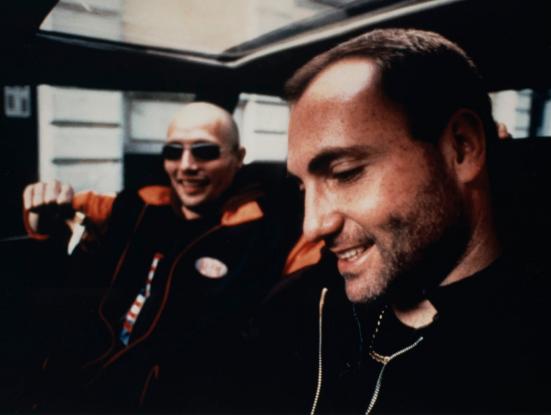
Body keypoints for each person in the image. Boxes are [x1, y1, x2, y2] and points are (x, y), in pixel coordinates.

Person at [245, 28, 551, 414]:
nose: (313, 226)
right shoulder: (294, 307)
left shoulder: (528, 362)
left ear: (461, 147)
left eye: (345, 173)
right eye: (303, 187)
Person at [20, 101, 319, 412]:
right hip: (89, 380)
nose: (186, 165)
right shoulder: (142, 204)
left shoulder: (269, 231)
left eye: (205, 151)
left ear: (238, 157)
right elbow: (65, 211)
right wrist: (42, 210)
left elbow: (314, 270)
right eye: (173, 152)